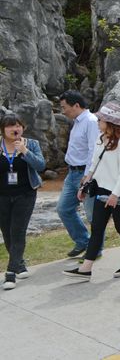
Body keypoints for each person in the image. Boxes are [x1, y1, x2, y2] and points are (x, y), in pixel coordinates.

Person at [63, 103, 120, 282]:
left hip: (119, 192)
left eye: (100, 119)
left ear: (109, 122)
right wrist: (85, 184)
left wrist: (115, 194)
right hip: (102, 189)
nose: (97, 122)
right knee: (97, 227)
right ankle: (86, 268)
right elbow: (95, 163)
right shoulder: (101, 138)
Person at [0, 114, 45, 290]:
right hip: (2, 196)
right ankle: (19, 265)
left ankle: (10, 272)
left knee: (18, 231)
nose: (15, 129)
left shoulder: (31, 144)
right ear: (3, 130)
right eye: (10, 126)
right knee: (7, 232)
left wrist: (25, 151)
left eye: (18, 125)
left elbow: (40, 165)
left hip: (25, 194)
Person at [57, 90, 100, 259]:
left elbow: (93, 150)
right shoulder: (77, 122)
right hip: (72, 173)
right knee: (64, 209)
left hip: (85, 174)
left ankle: (95, 249)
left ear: (76, 105)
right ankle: (83, 241)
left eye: (64, 107)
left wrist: (88, 175)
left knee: (92, 214)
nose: (63, 111)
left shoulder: (90, 121)